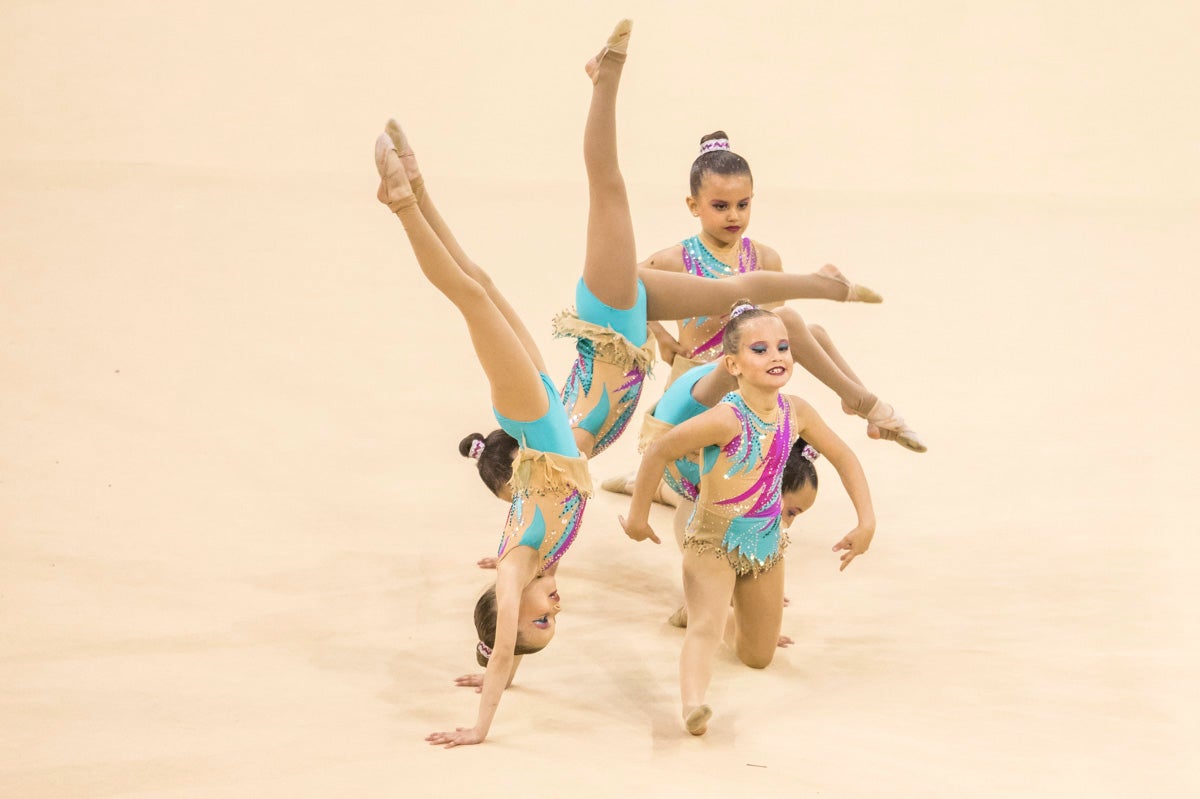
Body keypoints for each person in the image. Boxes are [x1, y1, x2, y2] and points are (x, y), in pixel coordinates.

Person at [619, 302, 877, 736]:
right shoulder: (725, 418)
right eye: (760, 349)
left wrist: (866, 521)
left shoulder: (797, 412)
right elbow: (660, 450)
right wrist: (639, 516)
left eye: (782, 347)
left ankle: (707, 611)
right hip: (713, 544)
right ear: (732, 364)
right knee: (706, 629)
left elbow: (843, 456)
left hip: (766, 544)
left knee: (758, 656)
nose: (776, 356)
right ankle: (693, 705)